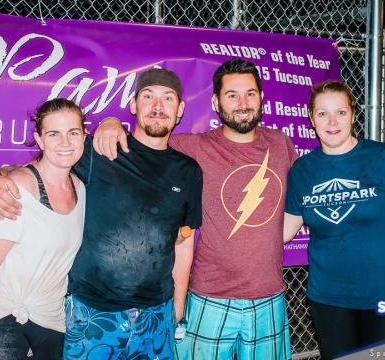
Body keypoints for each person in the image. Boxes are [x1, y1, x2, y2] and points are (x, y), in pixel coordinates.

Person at [0, 68, 202, 359]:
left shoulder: (189, 171)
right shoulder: (99, 150)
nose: (158, 107)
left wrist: (178, 306)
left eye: (167, 98)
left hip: (156, 314)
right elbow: (39, 170)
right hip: (93, 313)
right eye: (148, 97)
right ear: (133, 105)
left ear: (180, 110)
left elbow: (184, 240)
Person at [95, 58, 297, 360]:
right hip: (209, 299)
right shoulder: (190, 147)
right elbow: (145, 135)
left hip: (270, 299)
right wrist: (111, 122)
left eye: (250, 94)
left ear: (262, 98)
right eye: (232, 95)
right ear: (216, 102)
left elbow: (311, 187)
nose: (242, 103)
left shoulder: (281, 144)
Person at [283, 80, 385, 360]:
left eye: (340, 112)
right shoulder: (302, 171)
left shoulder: (384, 158)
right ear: (311, 119)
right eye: (322, 113)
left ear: (353, 115)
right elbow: (285, 229)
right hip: (329, 298)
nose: (332, 121)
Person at [0, 98, 87, 359]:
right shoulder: (13, 188)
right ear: (40, 139)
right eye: (54, 134)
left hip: (52, 322)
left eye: (73, 133)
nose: (65, 143)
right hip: (2, 322)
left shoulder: (81, 188)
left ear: (84, 136)